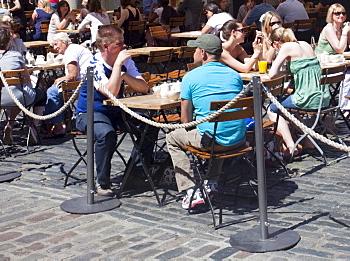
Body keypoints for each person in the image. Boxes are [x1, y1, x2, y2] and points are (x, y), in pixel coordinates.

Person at [165, 34, 246, 211]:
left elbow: (185, 121)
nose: (193, 53)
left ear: (202, 53)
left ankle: (190, 190)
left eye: (195, 49)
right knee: (217, 127)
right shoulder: (235, 75)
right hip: (239, 139)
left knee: (172, 137)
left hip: (214, 143)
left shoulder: (191, 77)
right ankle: (212, 182)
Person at [74, 25, 147, 195]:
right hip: (90, 113)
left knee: (148, 126)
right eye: (119, 44)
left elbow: (143, 87)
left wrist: (124, 75)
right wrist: (117, 67)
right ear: (106, 46)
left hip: (115, 111)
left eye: (124, 43)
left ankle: (134, 172)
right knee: (106, 134)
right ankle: (102, 182)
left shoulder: (125, 61)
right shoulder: (93, 64)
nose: (124, 47)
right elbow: (110, 92)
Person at [266, 26, 328, 159]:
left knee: (272, 108)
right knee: (286, 108)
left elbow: (271, 74)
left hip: (307, 98)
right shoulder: (304, 44)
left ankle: (290, 146)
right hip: (323, 96)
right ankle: (309, 140)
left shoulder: (286, 47)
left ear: (276, 42)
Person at [0, 27, 44, 142]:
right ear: (9, 41)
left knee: (14, 95)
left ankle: (10, 124)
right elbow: (27, 79)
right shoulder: (15, 55)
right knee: (41, 95)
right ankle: (32, 128)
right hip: (18, 97)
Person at [43, 31, 94, 137]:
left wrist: (58, 80)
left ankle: (59, 126)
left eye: (56, 44)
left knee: (52, 92)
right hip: (90, 84)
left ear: (64, 41)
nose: (55, 47)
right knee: (57, 89)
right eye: (53, 45)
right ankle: (63, 118)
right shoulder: (75, 48)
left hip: (83, 86)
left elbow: (73, 75)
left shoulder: (70, 51)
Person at [315, 3, 350, 115]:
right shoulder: (328, 29)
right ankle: (345, 108)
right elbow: (340, 49)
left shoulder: (342, 28)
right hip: (324, 65)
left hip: (338, 63)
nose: (341, 15)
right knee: (349, 76)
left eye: (343, 13)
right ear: (331, 15)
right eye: (337, 13)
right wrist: (345, 33)